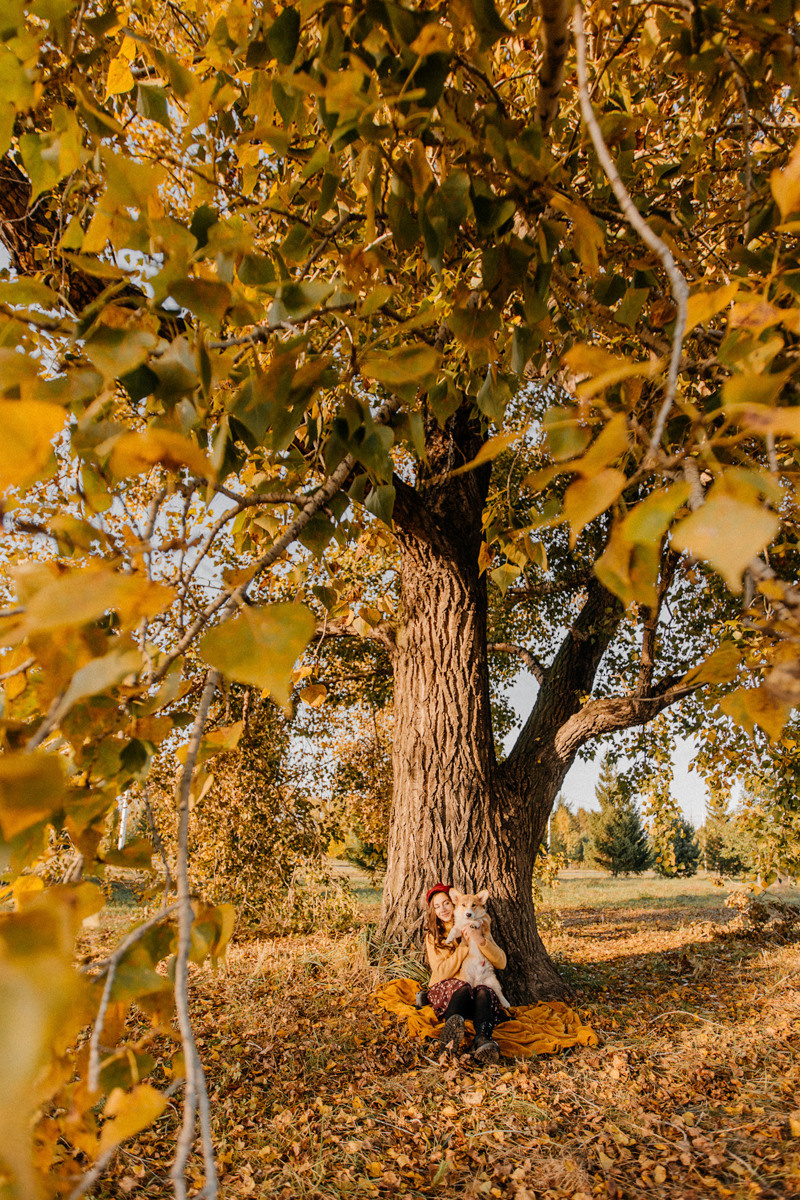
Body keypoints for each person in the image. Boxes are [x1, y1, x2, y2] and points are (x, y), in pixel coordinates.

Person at [423, 882, 507, 1064]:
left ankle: (483, 1040)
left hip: (475, 994)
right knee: (462, 986)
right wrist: (463, 945)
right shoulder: (433, 936)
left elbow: (501, 962)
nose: (443, 909)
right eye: (436, 906)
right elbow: (441, 972)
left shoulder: (480, 926)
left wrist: (480, 940)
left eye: (446, 903)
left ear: (455, 904)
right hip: (449, 991)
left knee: (484, 990)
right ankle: (450, 1036)